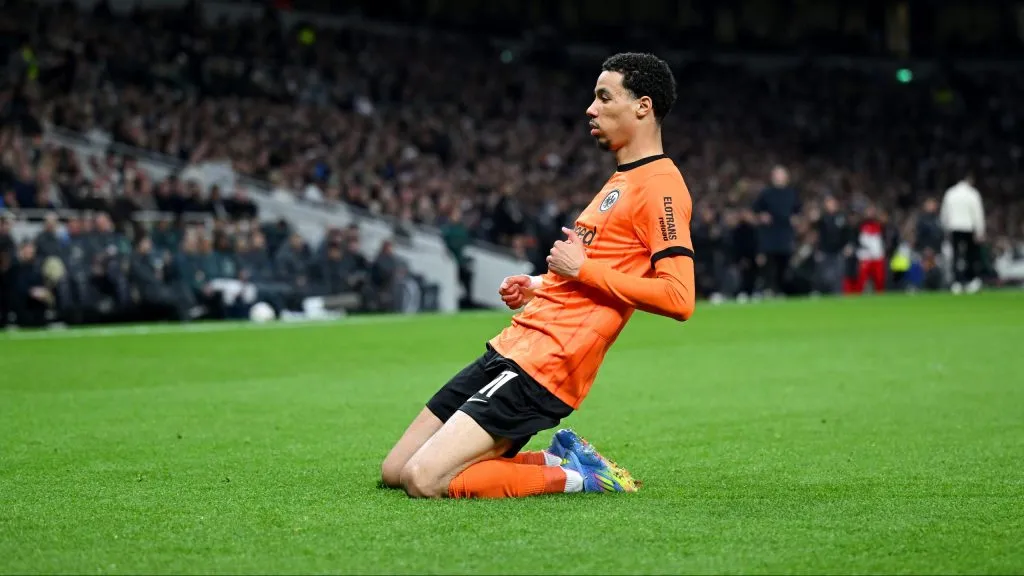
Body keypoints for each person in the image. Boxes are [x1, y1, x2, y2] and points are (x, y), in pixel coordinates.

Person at [380, 53, 696, 499]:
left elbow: (679, 296)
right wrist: (538, 285)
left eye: (604, 97)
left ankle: (581, 478)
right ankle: (555, 459)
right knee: (395, 470)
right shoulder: (619, 181)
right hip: (513, 346)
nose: (591, 108)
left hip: (547, 366)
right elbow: (590, 274)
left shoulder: (661, 186)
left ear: (643, 106)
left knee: (423, 480)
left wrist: (581, 267)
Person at [940, 173, 985, 294]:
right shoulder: (972, 193)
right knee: (970, 255)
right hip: (969, 227)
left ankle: (957, 282)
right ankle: (971, 280)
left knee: (956, 255)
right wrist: (980, 230)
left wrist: (945, 228)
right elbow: (978, 213)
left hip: (954, 227)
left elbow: (944, 212)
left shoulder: (950, 193)